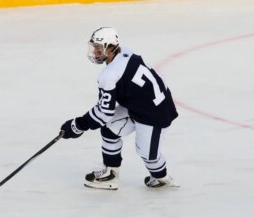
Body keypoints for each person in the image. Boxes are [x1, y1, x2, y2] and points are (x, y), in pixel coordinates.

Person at [60, 27, 179, 190]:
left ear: (110, 48)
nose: (95, 52)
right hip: (140, 104)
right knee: (109, 130)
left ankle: (162, 179)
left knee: (148, 155)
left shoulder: (109, 75)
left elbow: (104, 112)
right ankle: (110, 174)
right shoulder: (125, 51)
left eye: (98, 48)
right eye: (94, 47)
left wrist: (79, 124)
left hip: (155, 113)